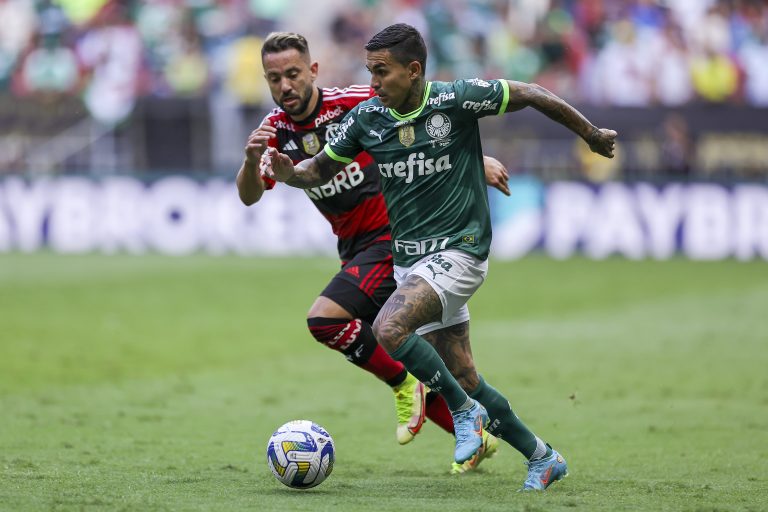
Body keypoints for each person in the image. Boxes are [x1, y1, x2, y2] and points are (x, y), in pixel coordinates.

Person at [262, 24, 617, 491]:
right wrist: (291, 173)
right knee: (465, 375)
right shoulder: (368, 118)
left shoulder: (457, 99)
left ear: (413, 71)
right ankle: (542, 455)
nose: (372, 84)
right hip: (412, 262)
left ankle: (464, 415)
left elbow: (530, 92)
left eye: (381, 73)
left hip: (461, 250)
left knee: (388, 328)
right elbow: (318, 169)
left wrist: (589, 134)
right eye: (369, 72)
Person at [236, 32, 511, 473]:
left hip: (395, 237)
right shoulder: (275, 133)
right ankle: (484, 437)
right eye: (274, 78)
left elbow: (425, 112)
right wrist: (252, 162)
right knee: (441, 362)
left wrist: (477, 160)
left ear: (313, 70)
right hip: (354, 250)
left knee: (325, 319)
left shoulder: (355, 101)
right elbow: (249, 197)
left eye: (292, 74)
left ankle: (403, 386)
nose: (285, 85)